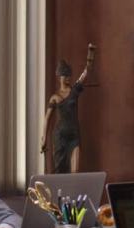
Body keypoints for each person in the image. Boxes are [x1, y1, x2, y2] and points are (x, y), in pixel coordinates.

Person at [41, 43, 96, 173]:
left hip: (74, 135)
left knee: (75, 171)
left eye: (68, 75)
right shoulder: (55, 97)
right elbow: (47, 118)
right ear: (59, 77)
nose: (67, 77)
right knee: (59, 171)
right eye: (64, 75)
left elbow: (86, 72)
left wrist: (91, 53)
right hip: (60, 136)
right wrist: (44, 139)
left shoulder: (74, 91)